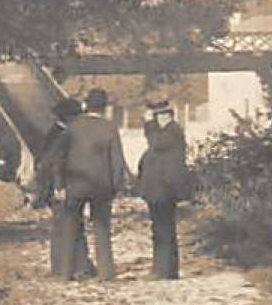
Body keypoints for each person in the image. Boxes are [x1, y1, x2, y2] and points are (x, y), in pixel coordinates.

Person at [55, 88, 131, 281]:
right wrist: (116, 186)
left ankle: (65, 273)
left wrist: (60, 185)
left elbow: (59, 158)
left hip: (76, 184)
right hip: (101, 186)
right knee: (102, 229)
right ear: (104, 107)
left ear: (86, 105)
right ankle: (106, 273)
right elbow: (117, 160)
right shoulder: (109, 128)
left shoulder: (73, 127)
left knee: (70, 227)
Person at [136, 100, 194, 279]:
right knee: (162, 229)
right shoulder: (170, 132)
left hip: (164, 190)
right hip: (161, 189)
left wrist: (148, 124)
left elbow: (156, 143)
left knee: (163, 230)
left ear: (165, 115)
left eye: (157, 116)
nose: (155, 120)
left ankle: (164, 270)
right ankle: (165, 269)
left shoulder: (171, 132)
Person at [36, 97, 92, 279]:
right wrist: (57, 187)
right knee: (69, 226)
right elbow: (51, 164)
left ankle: (65, 266)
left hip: (61, 187)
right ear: (69, 117)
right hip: (62, 187)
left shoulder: (56, 132)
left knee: (65, 226)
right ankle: (75, 266)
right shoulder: (62, 134)